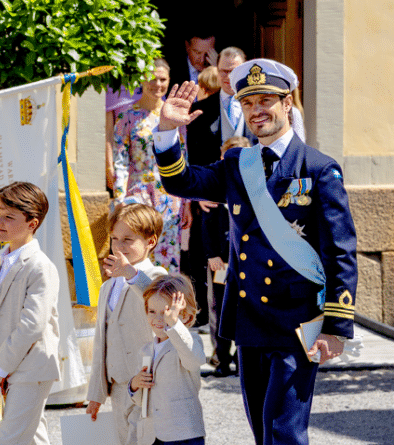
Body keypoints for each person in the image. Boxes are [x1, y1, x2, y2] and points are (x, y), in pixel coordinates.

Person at [152, 59, 358, 445]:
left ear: (287, 102)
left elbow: (340, 252)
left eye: (266, 100)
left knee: (283, 431)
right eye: (248, 103)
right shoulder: (238, 164)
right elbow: (182, 182)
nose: (256, 110)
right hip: (249, 319)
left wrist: (335, 327)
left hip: (298, 321)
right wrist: (166, 130)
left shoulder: (318, 169)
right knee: (263, 431)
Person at [0, 181, 60, 445]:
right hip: (5, 368)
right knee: (33, 438)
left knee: (8, 439)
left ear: (32, 223)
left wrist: (0, 369)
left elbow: (32, 325)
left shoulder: (40, 267)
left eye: (9, 217)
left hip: (31, 369)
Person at [85, 203, 169, 445]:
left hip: (148, 381)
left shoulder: (157, 276)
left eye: (128, 240)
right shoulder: (107, 287)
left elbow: (155, 296)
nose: (119, 246)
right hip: (118, 384)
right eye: (114, 239)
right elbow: (101, 342)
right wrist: (96, 393)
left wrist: (130, 274)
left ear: (150, 241)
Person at [183, 47, 255, 327]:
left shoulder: (259, 106)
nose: (228, 77)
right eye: (223, 71)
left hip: (252, 201)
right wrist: (198, 193)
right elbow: (193, 158)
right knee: (209, 263)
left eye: (234, 71)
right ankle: (210, 326)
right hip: (212, 202)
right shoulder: (201, 110)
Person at [112, 58, 189, 273]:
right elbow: (120, 160)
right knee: (135, 252)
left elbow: (184, 157)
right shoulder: (127, 117)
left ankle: (165, 294)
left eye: (163, 79)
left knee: (167, 255)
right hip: (137, 194)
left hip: (170, 195)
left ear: (169, 80)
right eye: (152, 79)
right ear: (142, 80)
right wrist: (120, 197)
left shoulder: (175, 115)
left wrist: (187, 201)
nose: (157, 84)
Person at [131, 274, 206, 445]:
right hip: (152, 435)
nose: (158, 319)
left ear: (185, 316)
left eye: (166, 313)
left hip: (183, 435)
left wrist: (174, 324)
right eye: (152, 311)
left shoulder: (190, 342)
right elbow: (142, 400)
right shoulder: (146, 350)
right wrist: (135, 384)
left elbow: (194, 360)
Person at [202, 136, 251, 377]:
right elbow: (207, 225)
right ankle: (221, 358)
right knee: (220, 309)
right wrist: (211, 254)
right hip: (221, 261)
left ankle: (243, 359)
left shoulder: (255, 188)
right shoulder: (215, 189)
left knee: (245, 310)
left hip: (247, 262)